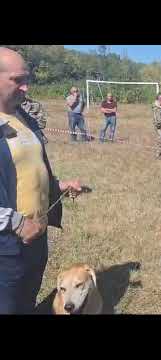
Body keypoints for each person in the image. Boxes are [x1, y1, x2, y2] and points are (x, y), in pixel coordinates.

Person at [0, 47, 86, 314]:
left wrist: (56, 186)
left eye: (27, 79)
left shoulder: (22, 117)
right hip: (6, 246)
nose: (26, 87)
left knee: (25, 303)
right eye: (17, 80)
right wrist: (16, 222)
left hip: (35, 238)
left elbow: (27, 170)